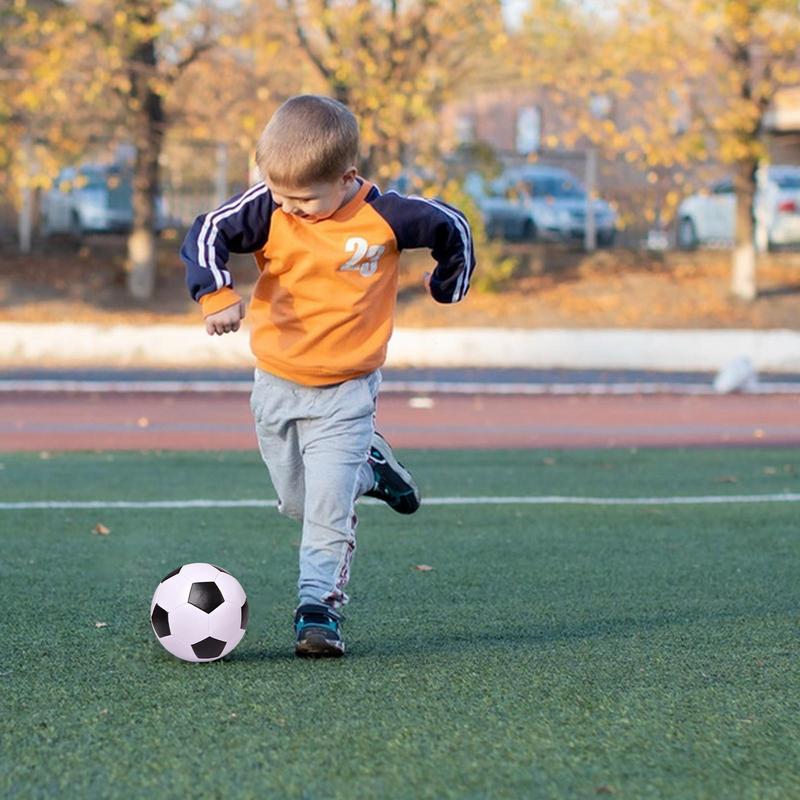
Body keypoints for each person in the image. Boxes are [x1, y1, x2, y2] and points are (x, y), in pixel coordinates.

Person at [181, 94, 475, 657]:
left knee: (325, 511)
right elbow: (205, 232)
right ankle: (371, 466)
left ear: (347, 178)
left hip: (347, 393)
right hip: (276, 387)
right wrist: (216, 292)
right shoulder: (269, 208)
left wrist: (448, 283)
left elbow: (451, 226)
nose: (289, 207)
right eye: (279, 193)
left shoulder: (383, 217)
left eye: (303, 198)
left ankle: (318, 610)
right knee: (297, 502)